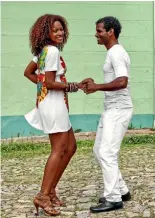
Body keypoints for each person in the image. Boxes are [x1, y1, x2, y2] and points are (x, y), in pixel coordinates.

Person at [24, 14, 82, 216]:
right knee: (58, 150)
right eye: (55, 30)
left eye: (61, 29)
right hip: (53, 103)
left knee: (71, 146)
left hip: (52, 102)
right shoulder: (52, 51)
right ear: (46, 33)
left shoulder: (43, 51)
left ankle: (50, 191)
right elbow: (49, 82)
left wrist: (44, 88)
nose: (60, 33)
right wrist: (72, 86)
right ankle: (42, 195)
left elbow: (29, 73)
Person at [81, 16, 133, 213]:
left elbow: (122, 82)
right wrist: (94, 84)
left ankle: (113, 198)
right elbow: (115, 79)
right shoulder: (112, 52)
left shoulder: (116, 53)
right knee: (98, 150)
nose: (96, 34)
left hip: (119, 109)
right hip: (111, 109)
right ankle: (122, 190)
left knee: (107, 153)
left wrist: (97, 87)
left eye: (100, 31)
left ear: (111, 31)